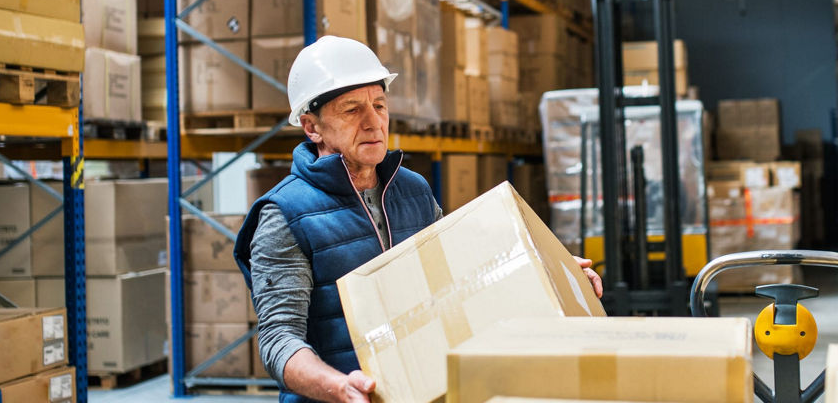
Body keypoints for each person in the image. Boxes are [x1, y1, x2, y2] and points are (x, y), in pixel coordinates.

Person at [234, 36, 602, 403]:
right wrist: (339, 387)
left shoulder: (412, 190)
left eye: (379, 105)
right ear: (311, 127)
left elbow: (466, 278)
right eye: (351, 110)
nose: (372, 122)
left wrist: (552, 273)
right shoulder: (284, 214)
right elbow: (279, 340)